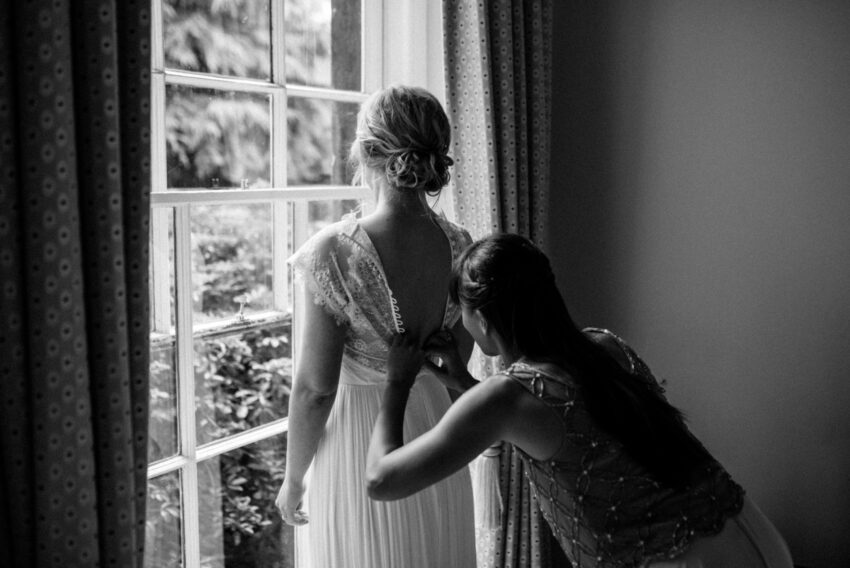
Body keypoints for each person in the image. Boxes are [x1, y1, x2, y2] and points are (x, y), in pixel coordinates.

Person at [367, 233, 794, 568]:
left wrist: (398, 381)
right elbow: (559, 422)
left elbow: (381, 481)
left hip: (682, 559)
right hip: (748, 533)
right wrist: (461, 379)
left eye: (460, 308)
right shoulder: (604, 346)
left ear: (480, 316)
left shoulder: (507, 397)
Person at [275, 85, 477, 567]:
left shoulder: (335, 252)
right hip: (434, 434)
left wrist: (293, 479)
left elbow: (315, 390)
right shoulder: (460, 244)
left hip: (359, 442)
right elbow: (456, 357)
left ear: (367, 153)